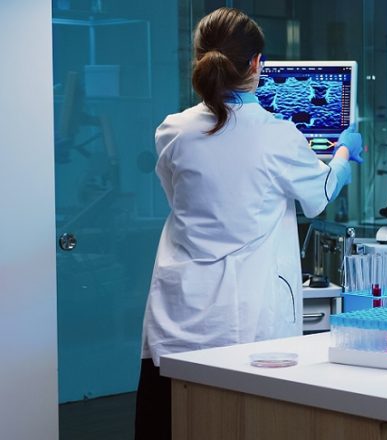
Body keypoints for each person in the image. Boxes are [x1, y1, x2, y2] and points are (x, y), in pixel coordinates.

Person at [134, 8, 363, 439]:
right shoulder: (277, 135)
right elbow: (320, 195)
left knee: (174, 422)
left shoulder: (172, 130)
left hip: (181, 312)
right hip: (251, 320)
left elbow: (179, 197)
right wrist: (344, 153)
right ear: (257, 64)